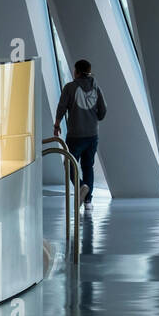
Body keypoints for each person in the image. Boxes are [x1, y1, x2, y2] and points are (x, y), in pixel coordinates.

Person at [52, 59, 106, 207]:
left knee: (69, 165)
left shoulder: (70, 87)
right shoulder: (96, 88)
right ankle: (88, 200)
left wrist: (56, 125)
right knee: (88, 166)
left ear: (76, 71)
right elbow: (103, 111)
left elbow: (61, 107)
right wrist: (93, 117)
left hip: (75, 135)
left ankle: (82, 187)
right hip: (92, 135)